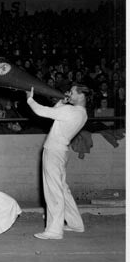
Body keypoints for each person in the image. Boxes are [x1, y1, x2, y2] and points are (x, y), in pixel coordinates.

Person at [25, 85, 88, 239]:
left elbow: (42, 111)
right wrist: (61, 102)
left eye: (72, 92)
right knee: (62, 190)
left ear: (81, 95)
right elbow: (57, 113)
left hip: (53, 152)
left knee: (53, 191)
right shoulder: (82, 113)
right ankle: (76, 224)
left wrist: (29, 99)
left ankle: (54, 231)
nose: (68, 93)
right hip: (61, 151)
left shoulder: (70, 111)